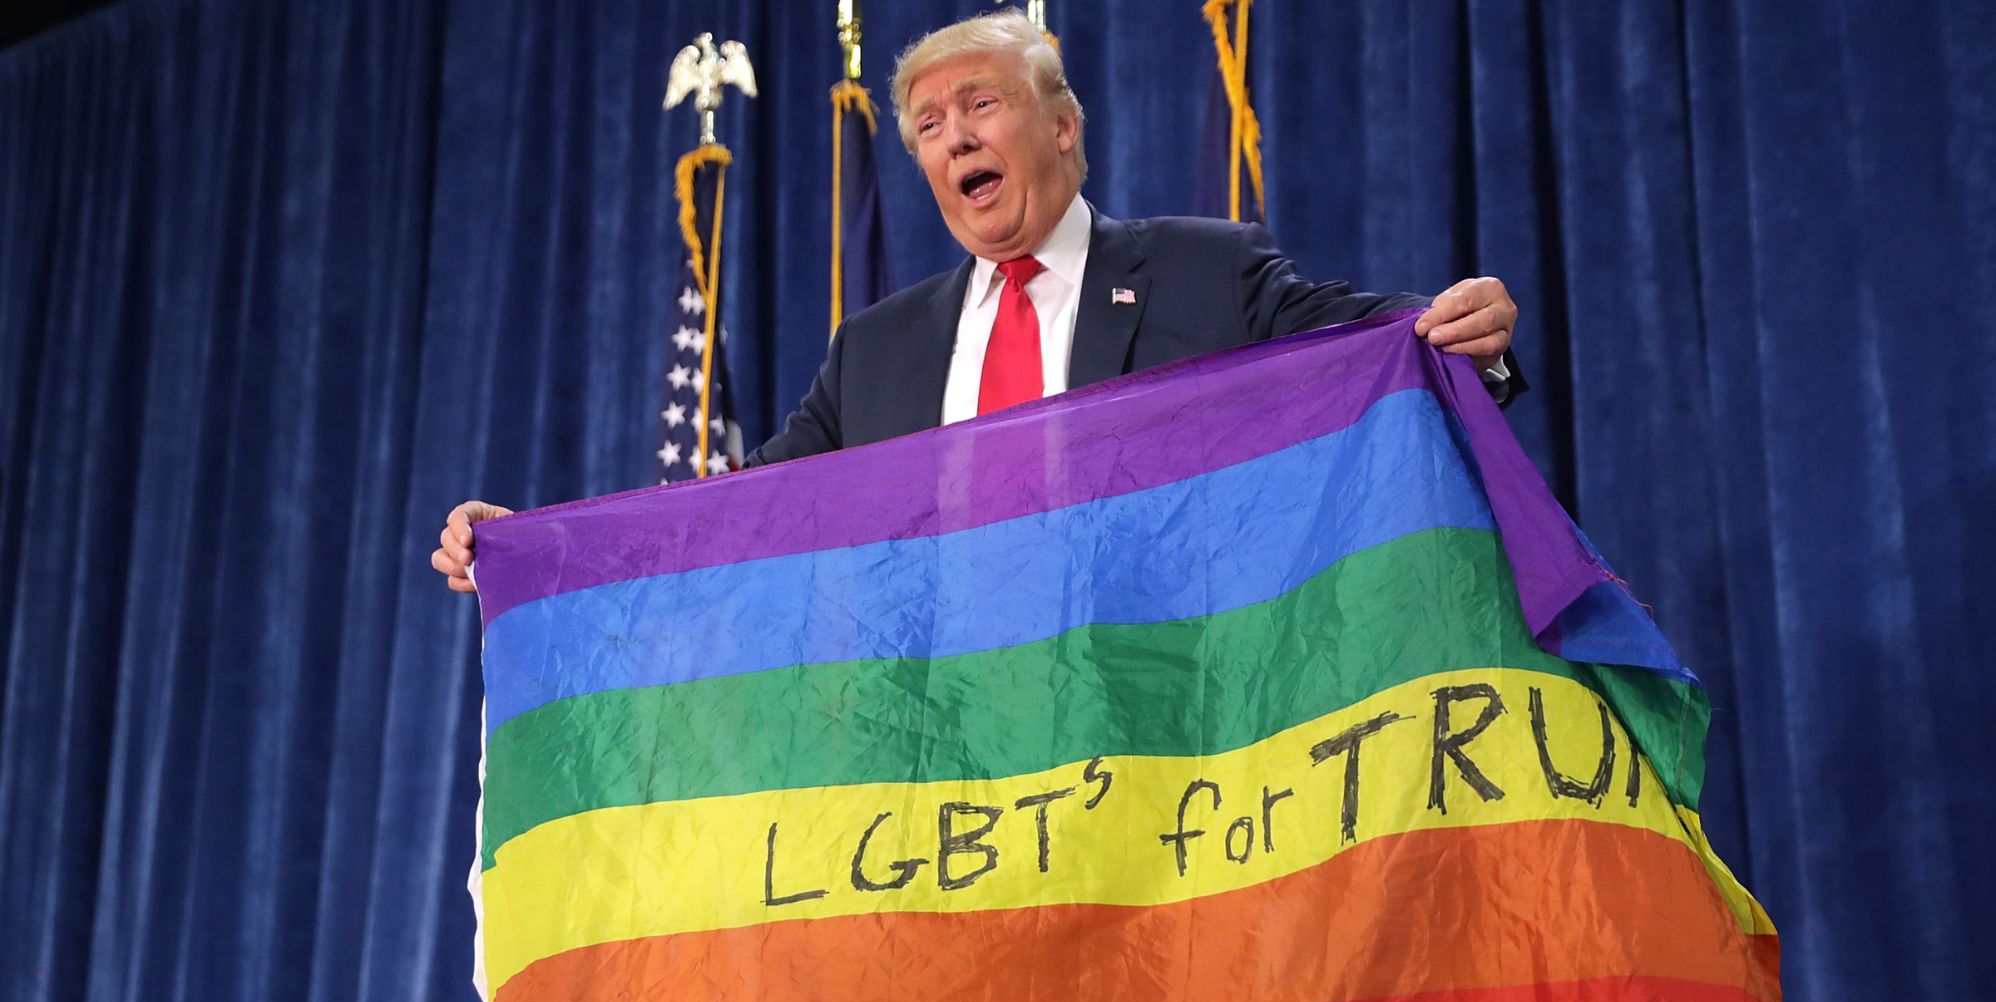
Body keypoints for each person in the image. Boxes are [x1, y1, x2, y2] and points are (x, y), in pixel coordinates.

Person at [435, 8, 1519, 592]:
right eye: (925, 126)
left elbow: (1370, 346)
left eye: (978, 104)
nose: (950, 136)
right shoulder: (877, 352)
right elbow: (735, 511)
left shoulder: (1200, 268)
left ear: (1062, 128)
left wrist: (1458, 337)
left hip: (1168, 708)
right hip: (954, 737)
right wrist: (539, 544)